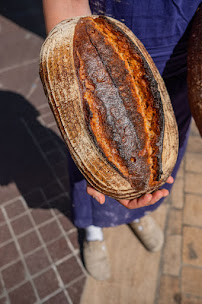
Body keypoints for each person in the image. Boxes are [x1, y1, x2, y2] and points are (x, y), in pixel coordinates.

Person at [42, 0, 201, 280]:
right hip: (113, 29)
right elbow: (67, 7)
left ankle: (138, 213)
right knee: (94, 157)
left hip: (185, 45)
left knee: (157, 164)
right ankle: (92, 229)